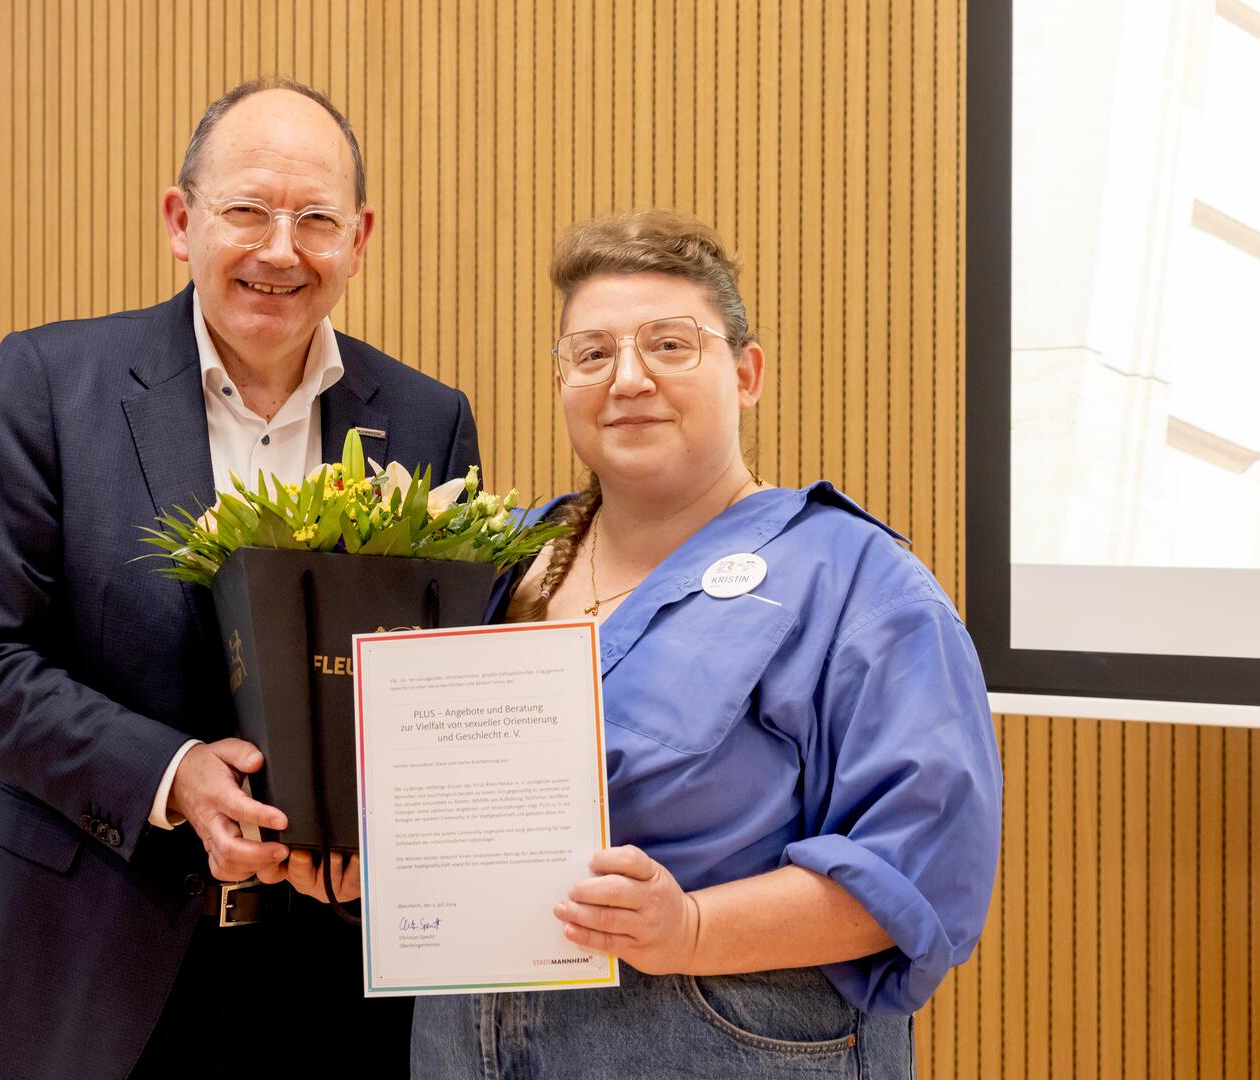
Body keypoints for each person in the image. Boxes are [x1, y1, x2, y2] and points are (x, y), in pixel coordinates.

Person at [0, 77, 480, 1080]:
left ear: (358, 238)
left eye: (315, 220)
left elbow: (441, 685)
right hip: (89, 961)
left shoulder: (426, 418)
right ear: (182, 222)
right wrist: (172, 773)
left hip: (333, 977)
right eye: (247, 211)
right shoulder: (51, 384)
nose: (280, 251)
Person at [411, 210, 1001, 1079]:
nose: (628, 379)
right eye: (592, 353)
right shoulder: (497, 558)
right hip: (465, 1042)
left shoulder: (855, 580)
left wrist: (687, 929)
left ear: (746, 373)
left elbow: (919, 868)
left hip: (712, 1041)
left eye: (669, 345)